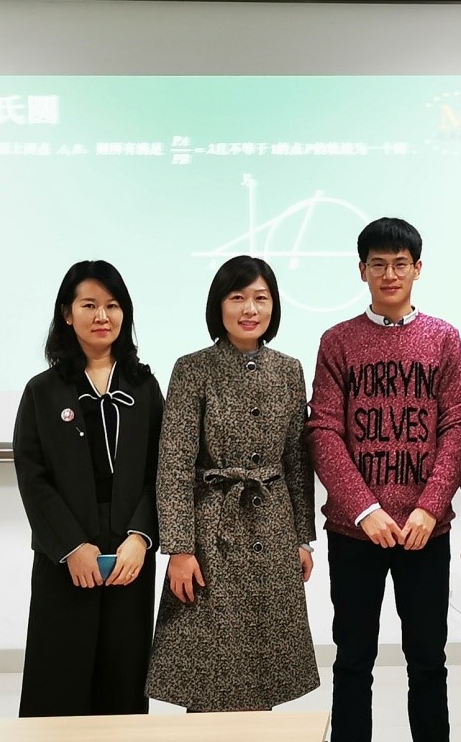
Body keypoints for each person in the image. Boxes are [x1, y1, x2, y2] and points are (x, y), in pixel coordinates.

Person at [307, 217, 461, 742]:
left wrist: (430, 506)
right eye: (378, 264)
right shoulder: (338, 341)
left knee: (428, 660)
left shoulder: (443, 337)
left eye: (400, 264)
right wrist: (365, 509)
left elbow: (456, 426)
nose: (390, 274)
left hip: (425, 530)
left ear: (418, 269)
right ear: (362, 271)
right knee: (353, 659)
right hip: (356, 532)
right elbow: (323, 430)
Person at [145, 255, 318, 711]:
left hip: (273, 529)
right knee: (209, 671)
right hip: (211, 534)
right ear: (218, 305)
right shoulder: (192, 369)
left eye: (261, 298)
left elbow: (297, 462)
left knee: (264, 668)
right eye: (237, 297)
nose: (250, 309)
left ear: (274, 306)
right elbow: (174, 463)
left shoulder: (289, 369)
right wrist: (179, 549)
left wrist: (302, 538)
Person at [12, 260, 163, 717]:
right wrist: (71, 547)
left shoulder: (144, 387)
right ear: (67, 313)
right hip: (66, 553)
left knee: (123, 681)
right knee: (58, 681)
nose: (102, 316)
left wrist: (141, 537)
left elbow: (163, 471)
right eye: (89, 305)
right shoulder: (42, 391)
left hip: (128, 554)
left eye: (112, 306)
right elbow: (33, 477)